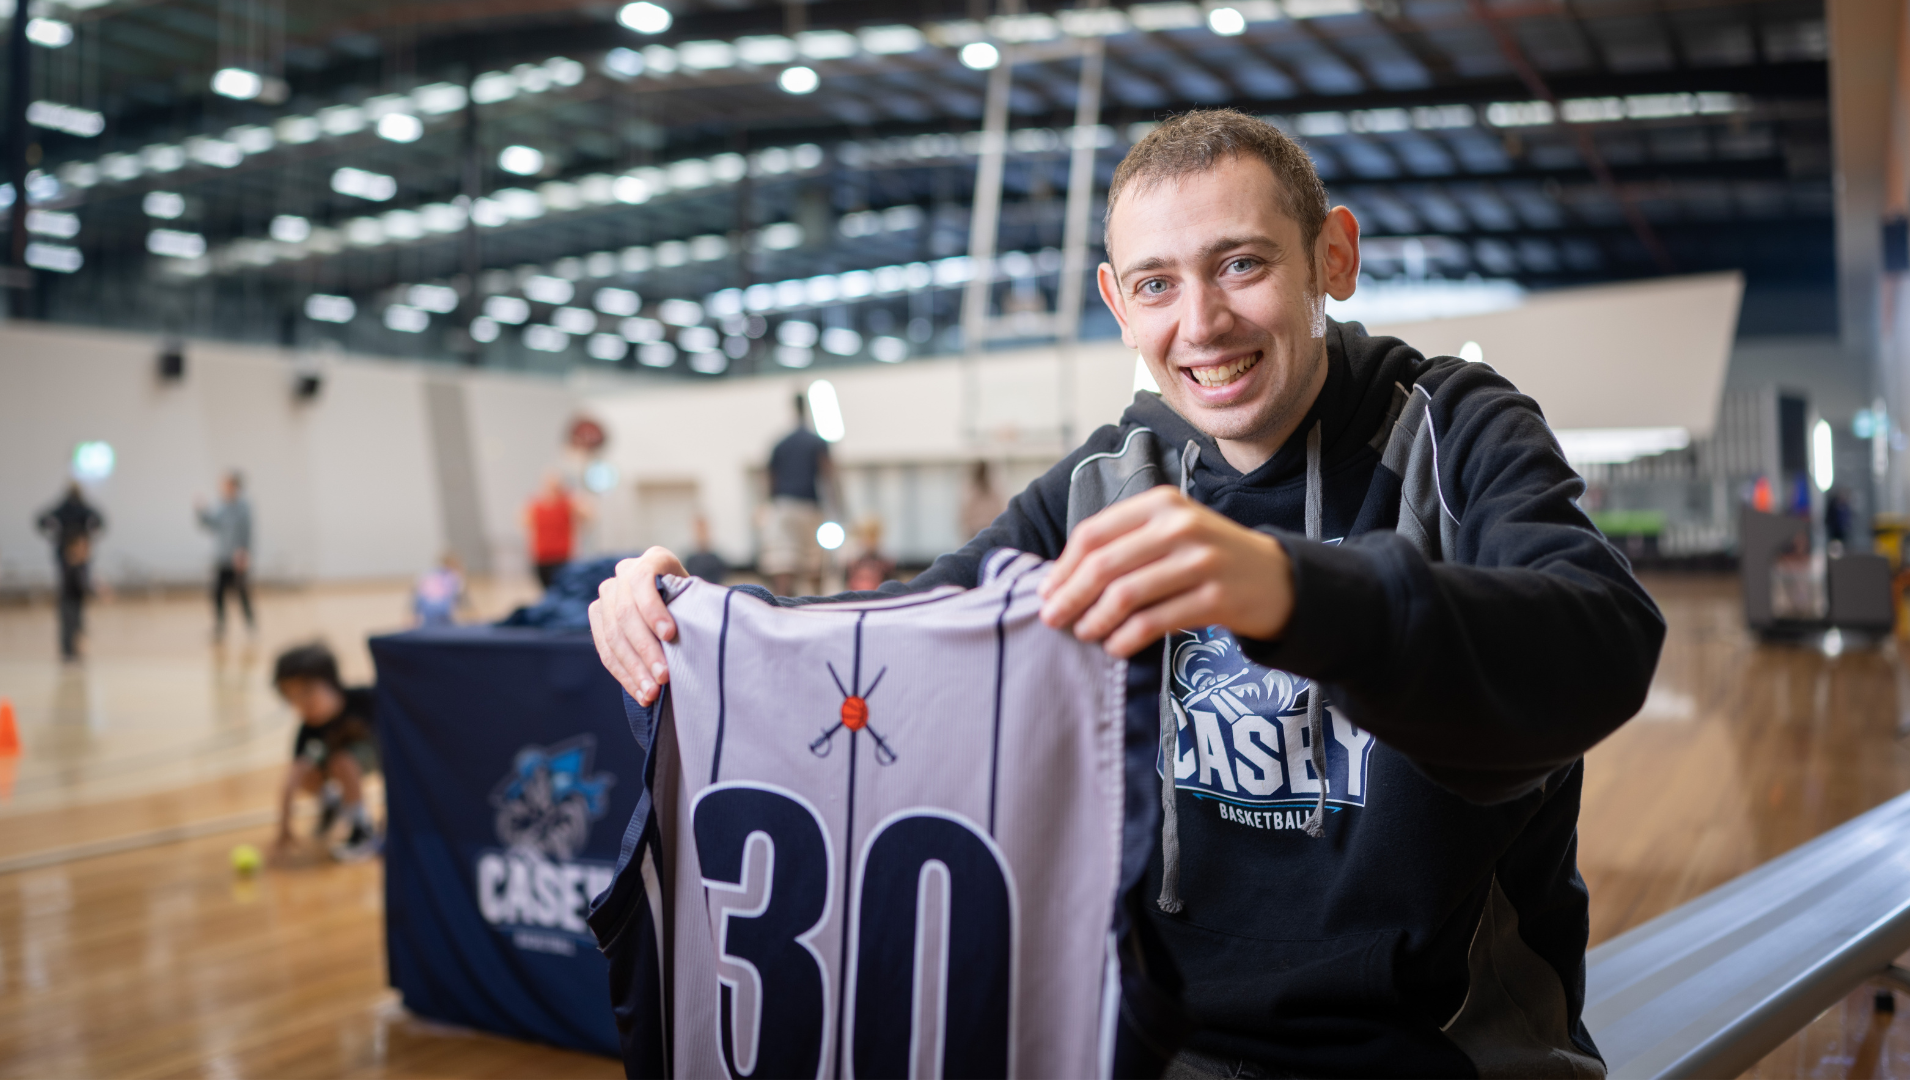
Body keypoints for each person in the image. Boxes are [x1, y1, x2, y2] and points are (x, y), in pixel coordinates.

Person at [590, 109, 1664, 1076]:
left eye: (1239, 264)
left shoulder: (1454, 427)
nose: (1198, 324)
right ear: (1116, 302)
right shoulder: (1109, 480)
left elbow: (1601, 640)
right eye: (1155, 283)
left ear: (1330, 258)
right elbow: (907, 632)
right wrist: (694, 615)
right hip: (1157, 1043)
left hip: (1433, 1051)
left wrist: (1292, 593)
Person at [272, 643, 380, 861]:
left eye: (307, 693)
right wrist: (284, 827)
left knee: (342, 761)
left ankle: (364, 831)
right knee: (305, 772)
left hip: (381, 756)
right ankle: (332, 803)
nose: (302, 704)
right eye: (293, 699)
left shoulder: (366, 701)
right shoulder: (310, 728)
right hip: (345, 766)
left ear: (331, 682)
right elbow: (292, 779)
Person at [760, 393, 835, 596]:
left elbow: (769, 480)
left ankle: (781, 611)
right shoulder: (816, 442)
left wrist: (768, 507)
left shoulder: (780, 444)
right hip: (809, 509)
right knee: (814, 564)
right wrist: (838, 509)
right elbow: (829, 477)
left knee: (783, 565)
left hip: (783, 508)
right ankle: (818, 609)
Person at [36, 483, 103, 662]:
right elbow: (99, 521)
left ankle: (72, 648)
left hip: (69, 555)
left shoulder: (66, 507)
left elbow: (42, 520)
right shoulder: (76, 507)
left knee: (73, 606)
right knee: (70, 608)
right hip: (68, 556)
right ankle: (69, 649)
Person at [196, 471, 254, 641]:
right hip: (222, 558)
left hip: (237, 558)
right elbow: (210, 523)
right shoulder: (221, 506)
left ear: (235, 487)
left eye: (228, 485)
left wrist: (244, 551)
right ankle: (220, 627)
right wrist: (200, 510)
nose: (225, 488)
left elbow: (247, 531)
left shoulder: (243, 507)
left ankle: (250, 625)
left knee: (242, 593)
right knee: (218, 593)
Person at [524, 472, 584, 590]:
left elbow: (588, 515)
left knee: (565, 590)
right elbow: (526, 526)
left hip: (563, 557)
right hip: (542, 558)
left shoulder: (569, 504)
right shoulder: (535, 506)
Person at [413, 552, 466, 627]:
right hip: (441, 605)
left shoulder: (430, 573)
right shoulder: (454, 576)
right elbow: (458, 592)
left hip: (429, 605)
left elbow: (419, 589)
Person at [844, 515, 896, 591]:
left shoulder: (886, 564)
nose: (869, 538)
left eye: (872, 534)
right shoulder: (852, 562)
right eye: (865, 533)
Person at [960, 459, 1008, 540]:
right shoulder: (974, 491)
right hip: (982, 531)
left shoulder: (972, 491)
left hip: (982, 531)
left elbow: (965, 513)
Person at [680, 515, 729, 585]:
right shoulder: (689, 560)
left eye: (703, 531)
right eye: (698, 531)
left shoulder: (717, 559)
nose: (701, 535)